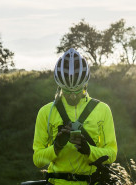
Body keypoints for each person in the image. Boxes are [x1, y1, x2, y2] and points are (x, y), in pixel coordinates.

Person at [33, 48, 117, 185]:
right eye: (66, 91)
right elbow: (38, 159)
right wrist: (56, 147)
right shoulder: (45, 112)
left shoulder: (103, 110)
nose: (72, 96)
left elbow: (112, 154)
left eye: (78, 91)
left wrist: (89, 150)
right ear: (59, 87)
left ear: (85, 84)